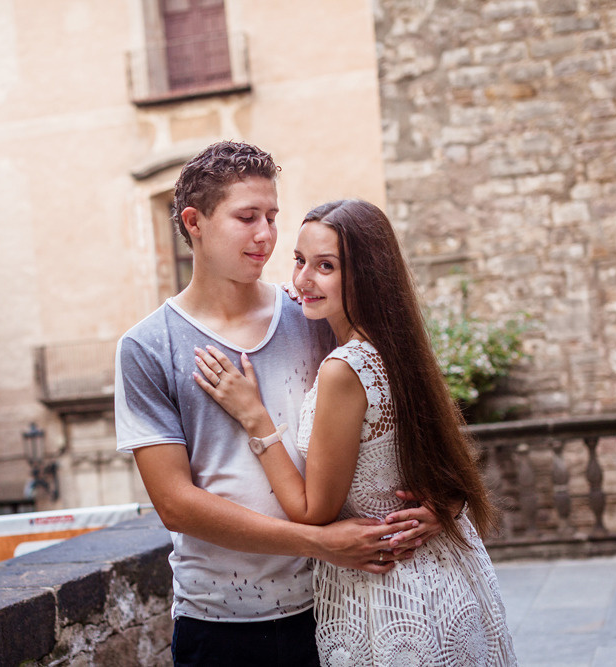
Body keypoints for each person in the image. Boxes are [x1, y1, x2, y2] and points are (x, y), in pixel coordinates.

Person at [114, 143, 444, 667]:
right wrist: (318, 542)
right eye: (247, 217)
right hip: (219, 620)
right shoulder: (148, 346)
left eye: (272, 216)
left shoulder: (310, 314)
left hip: (339, 605)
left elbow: (398, 412)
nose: (266, 234)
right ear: (194, 222)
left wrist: (439, 503)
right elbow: (174, 503)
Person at [193, 199, 517, 666]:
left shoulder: (345, 368)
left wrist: (254, 416)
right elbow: (445, 460)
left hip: (387, 596)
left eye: (326, 266)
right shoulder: (396, 344)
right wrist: (449, 502)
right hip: (449, 580)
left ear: (365, 274)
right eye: (300, 261)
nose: (304, 280)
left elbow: (312, 510)